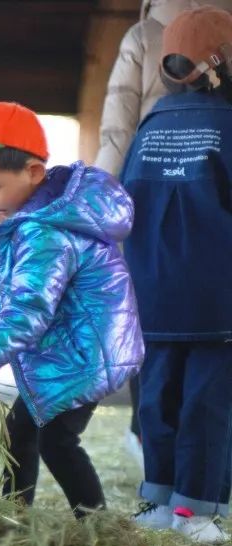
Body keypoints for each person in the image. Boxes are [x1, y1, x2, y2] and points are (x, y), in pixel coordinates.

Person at [0, 102, 143, 519]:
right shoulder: (54, 212)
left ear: (33, 172)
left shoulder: (44, 231)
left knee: (56, 440)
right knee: (21, 429)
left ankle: (99, 525)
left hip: (83, 358)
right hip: (82, 349)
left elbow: (29, 311)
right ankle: (11, 513)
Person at [96, 0, 232, 468]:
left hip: (151, 213)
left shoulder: (144, 37)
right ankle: (202, 486)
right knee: (214, 364)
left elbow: (117, 131)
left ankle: (156, 470)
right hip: (215, 227)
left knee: (156, 348)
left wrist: (98, 216)